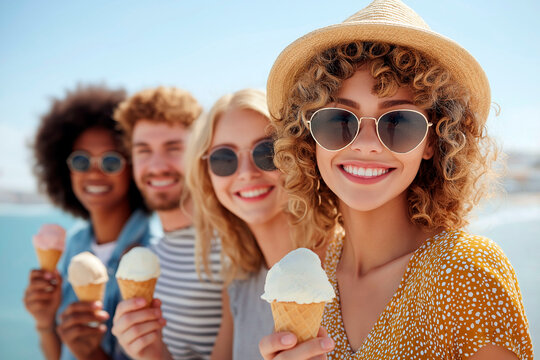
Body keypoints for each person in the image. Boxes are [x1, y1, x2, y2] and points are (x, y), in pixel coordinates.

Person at [259, 0, 534, 359]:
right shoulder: (317, 275)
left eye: (399, 123)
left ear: (434, 142)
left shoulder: (466, 271)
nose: (368, 146)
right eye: (338, 121)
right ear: (310, 139)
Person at [23, 84, 152, 360]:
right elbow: (56, 355)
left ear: (132, 166)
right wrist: (45, 322)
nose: (94, 173)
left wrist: (92, 353)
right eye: (81, 161)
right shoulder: (75, 241)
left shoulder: (153, 247)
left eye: (110, 162)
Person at [185, 88, 312, 360]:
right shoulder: (239, 284)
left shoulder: (347, 265)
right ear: (207, 177)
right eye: (224, 159)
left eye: (266, 151)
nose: (245, 173)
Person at [111, 86, 223, 359]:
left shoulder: (231, 249)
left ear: (199, 153)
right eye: (143, 151)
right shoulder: (153, 251)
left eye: (173, 148)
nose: (157, 165)